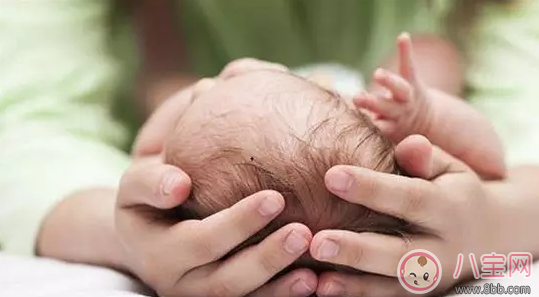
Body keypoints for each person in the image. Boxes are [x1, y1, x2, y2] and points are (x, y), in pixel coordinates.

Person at [1, 0, 539, 296]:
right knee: (437, 64)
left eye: (216, 85)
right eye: (221, 83)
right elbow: (488, 161)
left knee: (162, 83)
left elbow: (138, 159)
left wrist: (190, 99)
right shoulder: (390, 152)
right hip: (384, 108)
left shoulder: (170, 146)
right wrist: (428, 119)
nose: (240, 68)